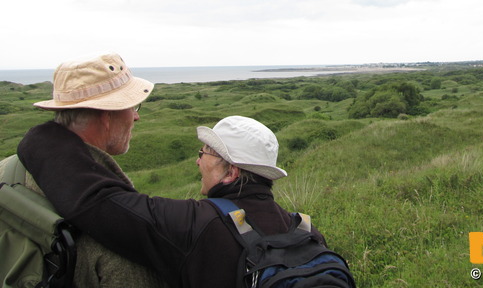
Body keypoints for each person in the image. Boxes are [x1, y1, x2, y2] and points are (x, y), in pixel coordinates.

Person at [18, 115, 335, 287]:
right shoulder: (306, 229)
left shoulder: (195, 226)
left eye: (206, 153)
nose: (198, 162)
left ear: (230, 172)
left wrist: (43, 135)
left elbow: (98, 203)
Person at [0, 53, 168, 288]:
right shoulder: (119, 234)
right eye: (132, 107)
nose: (137, 117)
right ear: (106, 115)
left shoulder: (8, 169)